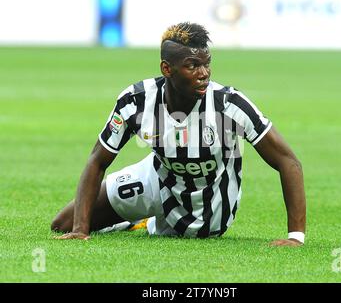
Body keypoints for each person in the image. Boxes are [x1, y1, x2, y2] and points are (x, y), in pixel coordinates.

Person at [51, 22, 306, 246]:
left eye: (206, 64)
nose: (203, 73)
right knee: (62, 223)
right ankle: (133, 221)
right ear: (166, 69)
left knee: (191, 234)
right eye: (192, 66)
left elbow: (288, 161)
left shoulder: (229, 105)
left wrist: (295, 236)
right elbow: (98, 160)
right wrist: (80, 230)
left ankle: (147, 221)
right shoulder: (136, 101)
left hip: (210, 201)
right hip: (158, 177)